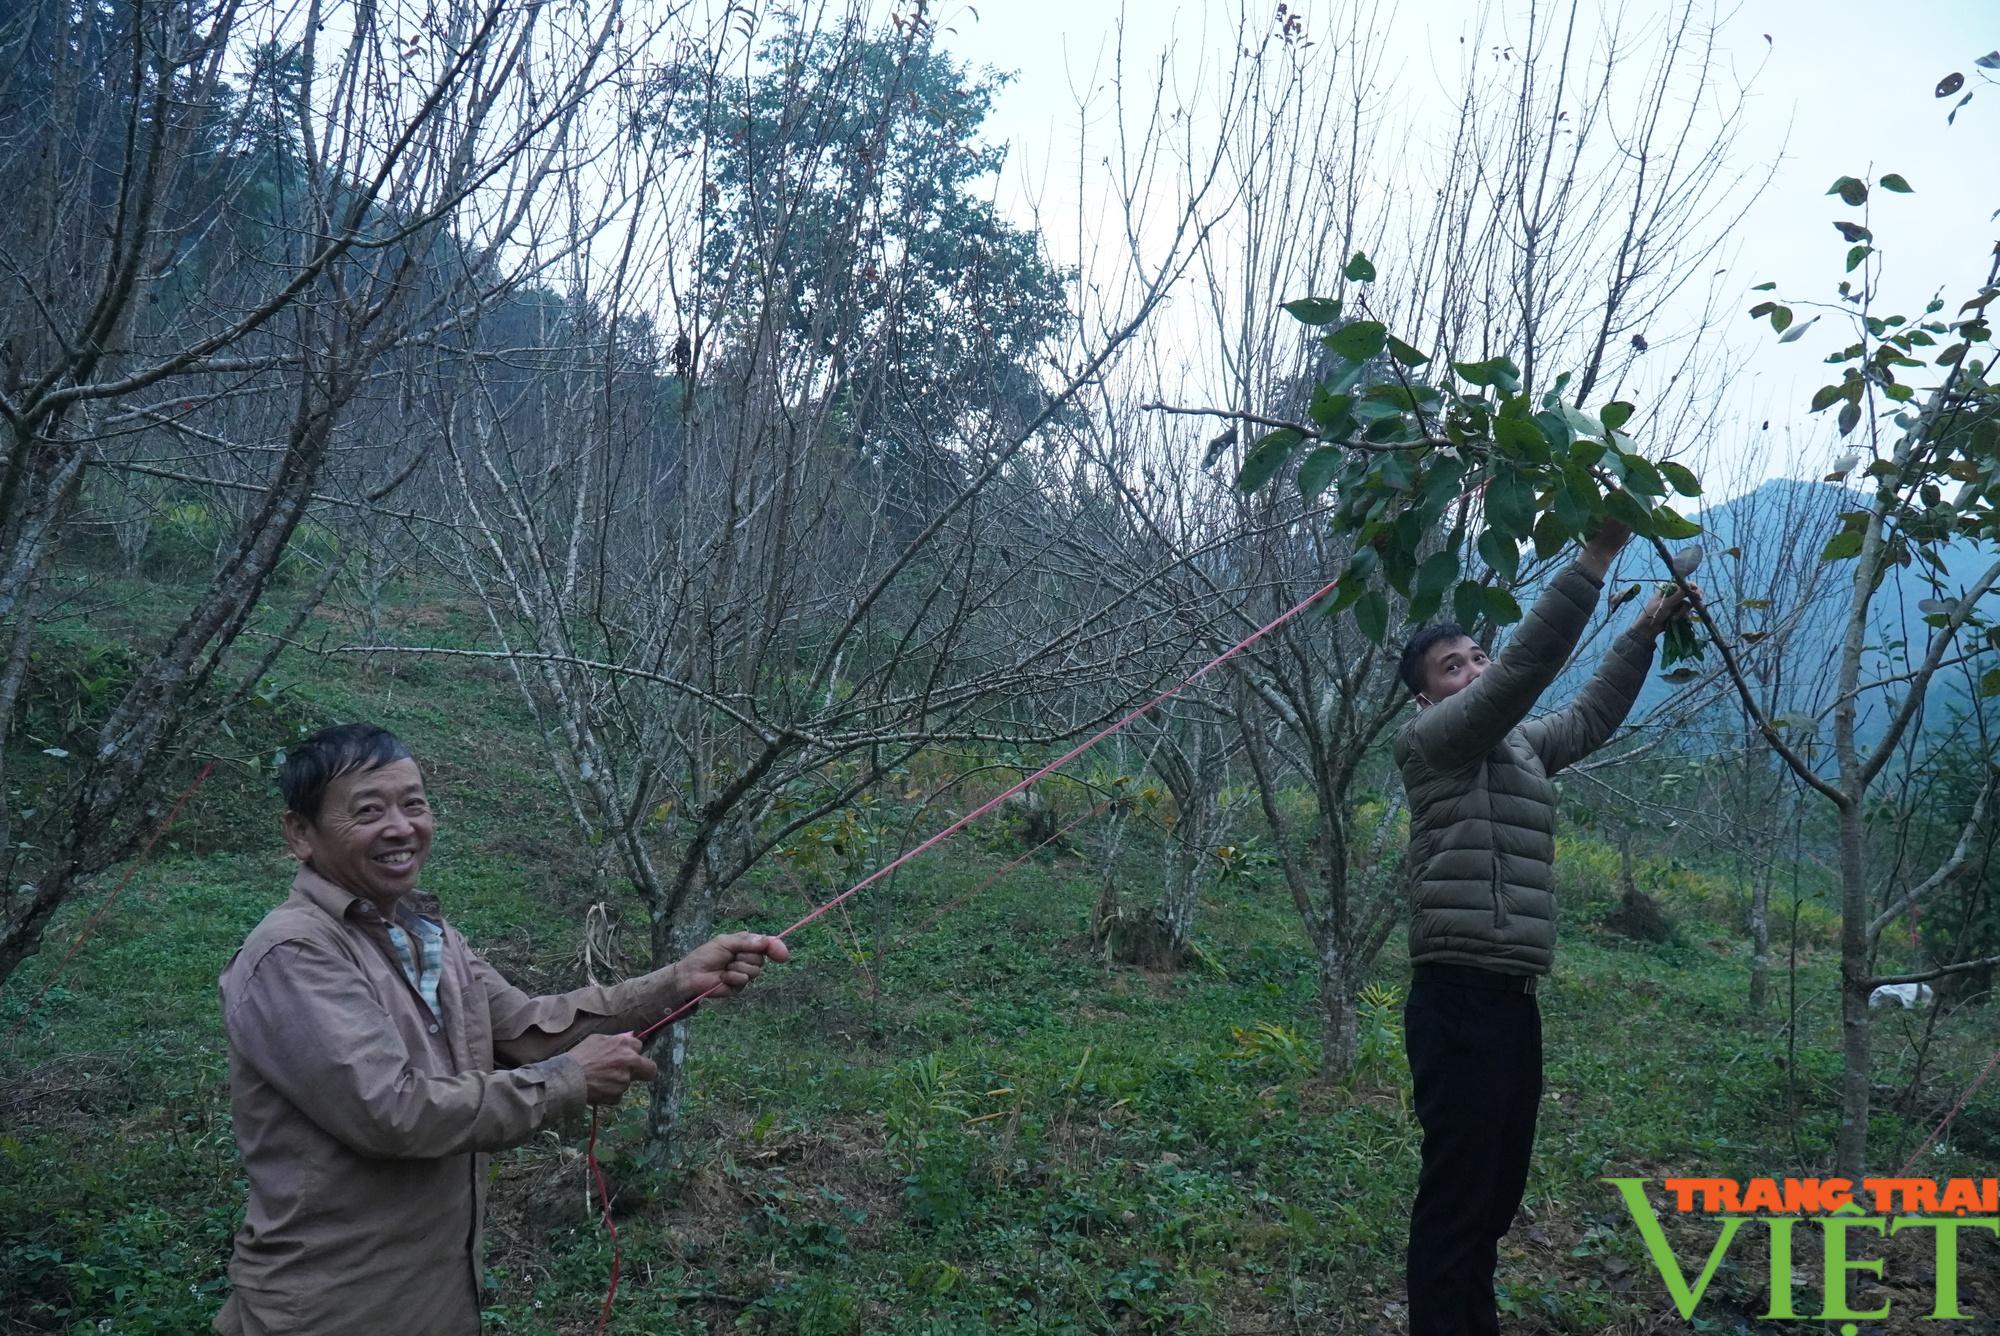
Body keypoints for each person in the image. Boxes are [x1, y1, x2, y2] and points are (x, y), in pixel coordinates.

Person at [215, 723, 789, 1335]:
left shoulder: (427, 937)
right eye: (368, 811)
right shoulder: (295, 954)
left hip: (435, 1294)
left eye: (414, 804)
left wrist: (677, 982)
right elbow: (391, 1111)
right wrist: (569, 1080)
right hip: (333, 1307)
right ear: (300, 833)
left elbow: (529, 1031)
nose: (402, 827)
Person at [1393, 520, 1694, 1336]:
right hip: (1456, 995)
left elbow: (1589, 717)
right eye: (1452, 668)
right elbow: (1522, 675)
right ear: (1427, 698)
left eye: (1475, 657)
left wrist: (1641, 632)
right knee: (1458, 1197)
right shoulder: (1431, 742)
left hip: (1513, 998)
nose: (1474, 671)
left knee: (1495, 1195)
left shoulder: (1519, 747)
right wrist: (1593, 558)